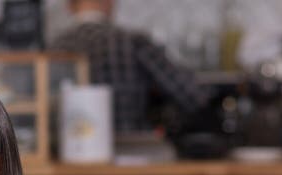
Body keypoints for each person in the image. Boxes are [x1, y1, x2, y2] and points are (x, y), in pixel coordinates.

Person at [50, 0, 212, 133]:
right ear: (110, 2)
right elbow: (192, 94)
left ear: (69, 6)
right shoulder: (133, 41)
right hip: (133, 155)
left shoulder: (53, 48)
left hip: (66, 161)